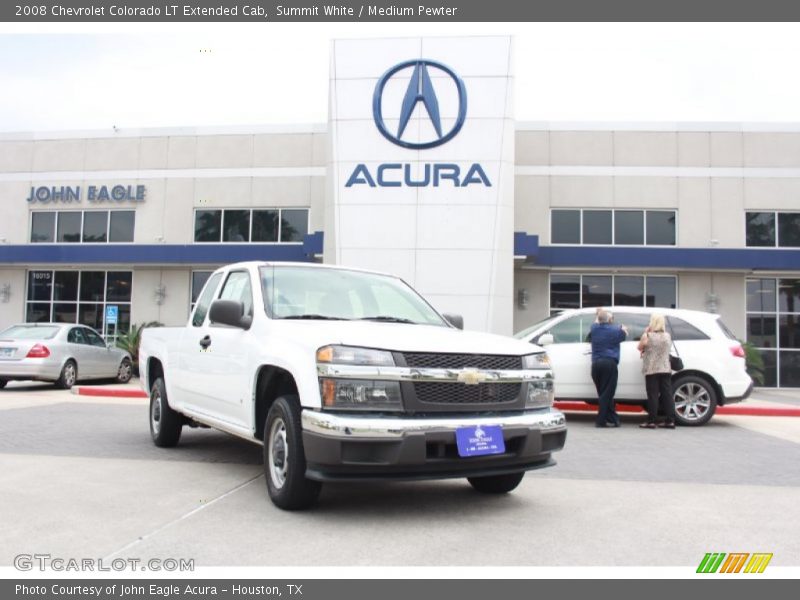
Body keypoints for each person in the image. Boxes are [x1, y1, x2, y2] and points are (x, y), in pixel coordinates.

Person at [589, 310, 628, 428]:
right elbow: (624, 334)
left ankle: (613, 418)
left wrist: (600, 313)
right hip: (609, 364)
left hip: (596, 365)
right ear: (610, 320)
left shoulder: (594, 329)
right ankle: (600, 421)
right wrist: (623, 328)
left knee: (604, 393)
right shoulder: (616, 330)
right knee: (607, 394)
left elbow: (597, 320)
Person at [637, 313, 676, 429]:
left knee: (653, 395)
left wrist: (645, 332)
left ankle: (652, 421)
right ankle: (670, 421)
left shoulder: (647, 335)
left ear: (652, 322)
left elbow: (639, 347)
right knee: (667, 395)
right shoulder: (667, 336)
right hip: (665, 368)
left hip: (651, 369)